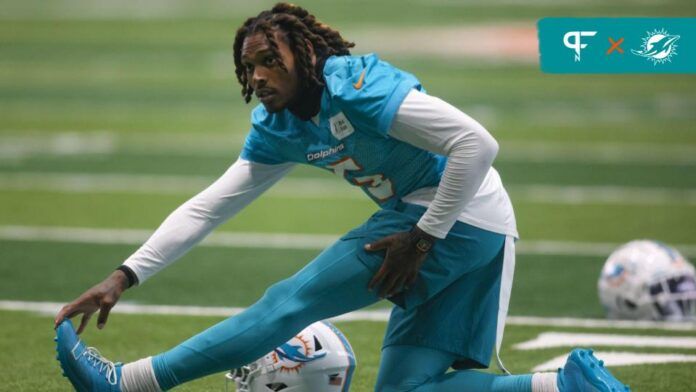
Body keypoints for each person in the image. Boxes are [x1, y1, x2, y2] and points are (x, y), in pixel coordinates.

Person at [54, 3, 629, 391]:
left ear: (304, 57)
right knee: (408, 388)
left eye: (268, 60)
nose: (256, 75)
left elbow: (477, 144)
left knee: (288, 303)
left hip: (452, 219)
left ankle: (128, 382)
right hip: (478, 223)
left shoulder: (356, 84)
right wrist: (124, 276)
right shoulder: (279, 125)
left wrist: (423, 238)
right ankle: (565, 384)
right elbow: (210, 206)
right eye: (249, 65)